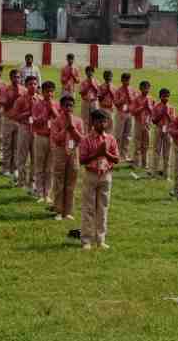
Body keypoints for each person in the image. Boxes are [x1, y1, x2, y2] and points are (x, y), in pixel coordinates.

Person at [78, 109, 120, 250]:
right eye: (99, 121)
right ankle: (86, 240)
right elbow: (82, 159)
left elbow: (117, 158)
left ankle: (100, 239)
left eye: (104, 121)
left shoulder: (110, 139)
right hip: (91, 174)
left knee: (103, 208)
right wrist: (97, 153)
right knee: (88, 208)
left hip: (106, 175)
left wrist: (106, 153)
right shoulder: (86, 139)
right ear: (93, 122)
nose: (102, 124)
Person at [49, 94, 84, 222]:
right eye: (66, 106)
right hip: (60, 152)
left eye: (71, 105)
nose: (69, 108)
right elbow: (56, 139)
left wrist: (72, 128)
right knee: (59, 181)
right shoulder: (56, 121)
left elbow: (81, 139)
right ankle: (58, 210)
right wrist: (65, 128)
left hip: (74, 152)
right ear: (61, 107)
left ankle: (68, 211)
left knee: (71, 182)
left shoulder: (79, 121)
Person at [31, 80, 60, 203]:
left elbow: (61, 121)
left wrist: (52, 110)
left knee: (50, 167)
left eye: (51, 92)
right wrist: (45, 114)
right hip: (41, 137)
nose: (49, 94)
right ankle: (39, 192)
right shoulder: (37, 105)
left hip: (53, 138)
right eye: (47, 91)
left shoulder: (57, 104)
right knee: (39, 166)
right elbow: (35, 121)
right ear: (42, 92)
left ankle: (47, 193)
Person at [12, 75, 39, 193]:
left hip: (37, 130)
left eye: (35, 84)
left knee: (35, 157)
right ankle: (21, 179)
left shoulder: (40, 100)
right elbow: (15, 116)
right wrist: (28, 113)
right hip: (24, 128)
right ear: (26, 85)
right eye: (30, 84)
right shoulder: (21, 99)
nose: (33, 86)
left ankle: (32, 180)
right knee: (22, 155)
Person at [0, 69, 23, 179]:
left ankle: (15, 168)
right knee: (7, 144)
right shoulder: (5, 89)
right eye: (14, 77)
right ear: (11, 78)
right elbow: (5, 105)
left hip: (19, 121)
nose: (16, 79)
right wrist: (15, 96)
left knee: (17, 146)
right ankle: (5, 168)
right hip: (8, 119)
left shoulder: (24, 90)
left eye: (18, 77)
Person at [130, 79, 154, 175]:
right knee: (137, 142)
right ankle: (137, 162)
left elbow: (155, 112)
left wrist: (149, 108)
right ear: (140, 89)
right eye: (144, 88)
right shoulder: (136, 99)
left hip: (147, 123)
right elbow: (132, 111)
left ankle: (145, 163)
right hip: (138, 123)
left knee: (146, 144)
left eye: (147, 88)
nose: (146, 90)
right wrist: (142, 107)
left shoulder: (151, 99)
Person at [150, 88, 175, 181]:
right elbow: (154, 121)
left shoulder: (171, 108)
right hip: (159, 129)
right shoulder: (156, 107)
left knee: (167, 152)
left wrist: (167, 114)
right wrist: (161, 113)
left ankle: (166, 174)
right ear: (160, 96)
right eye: (164, 96)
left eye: (167, 96)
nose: (165, 98)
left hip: (168, 130)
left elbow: (173, 121)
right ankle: (154, 173)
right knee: (157, 151)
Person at [113, 72, 134, 160]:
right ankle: (116, 154)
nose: (126, 82)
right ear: (122, 80)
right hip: (121, 113)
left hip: (129, 114)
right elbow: (115, 103)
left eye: (128, 80)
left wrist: (129, 97)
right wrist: (121, 100)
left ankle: (124, 154)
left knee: (128, 135)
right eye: (125, 80)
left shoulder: (132, 90)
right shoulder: (118, 91)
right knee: (119, 134)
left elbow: (135, 102)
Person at [98, 69, 117, 136]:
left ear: (112, 77)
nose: (108, 78)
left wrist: (110, 90)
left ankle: (109, 138)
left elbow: (115, 99)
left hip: (111, 108)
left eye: (110, 76)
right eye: (106, 76)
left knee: (111, 125)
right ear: (104, 77)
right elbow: (100, 99)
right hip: (103, 108)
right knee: (103, 124)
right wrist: (106, 91)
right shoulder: (101, 86)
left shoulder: (114, 87)